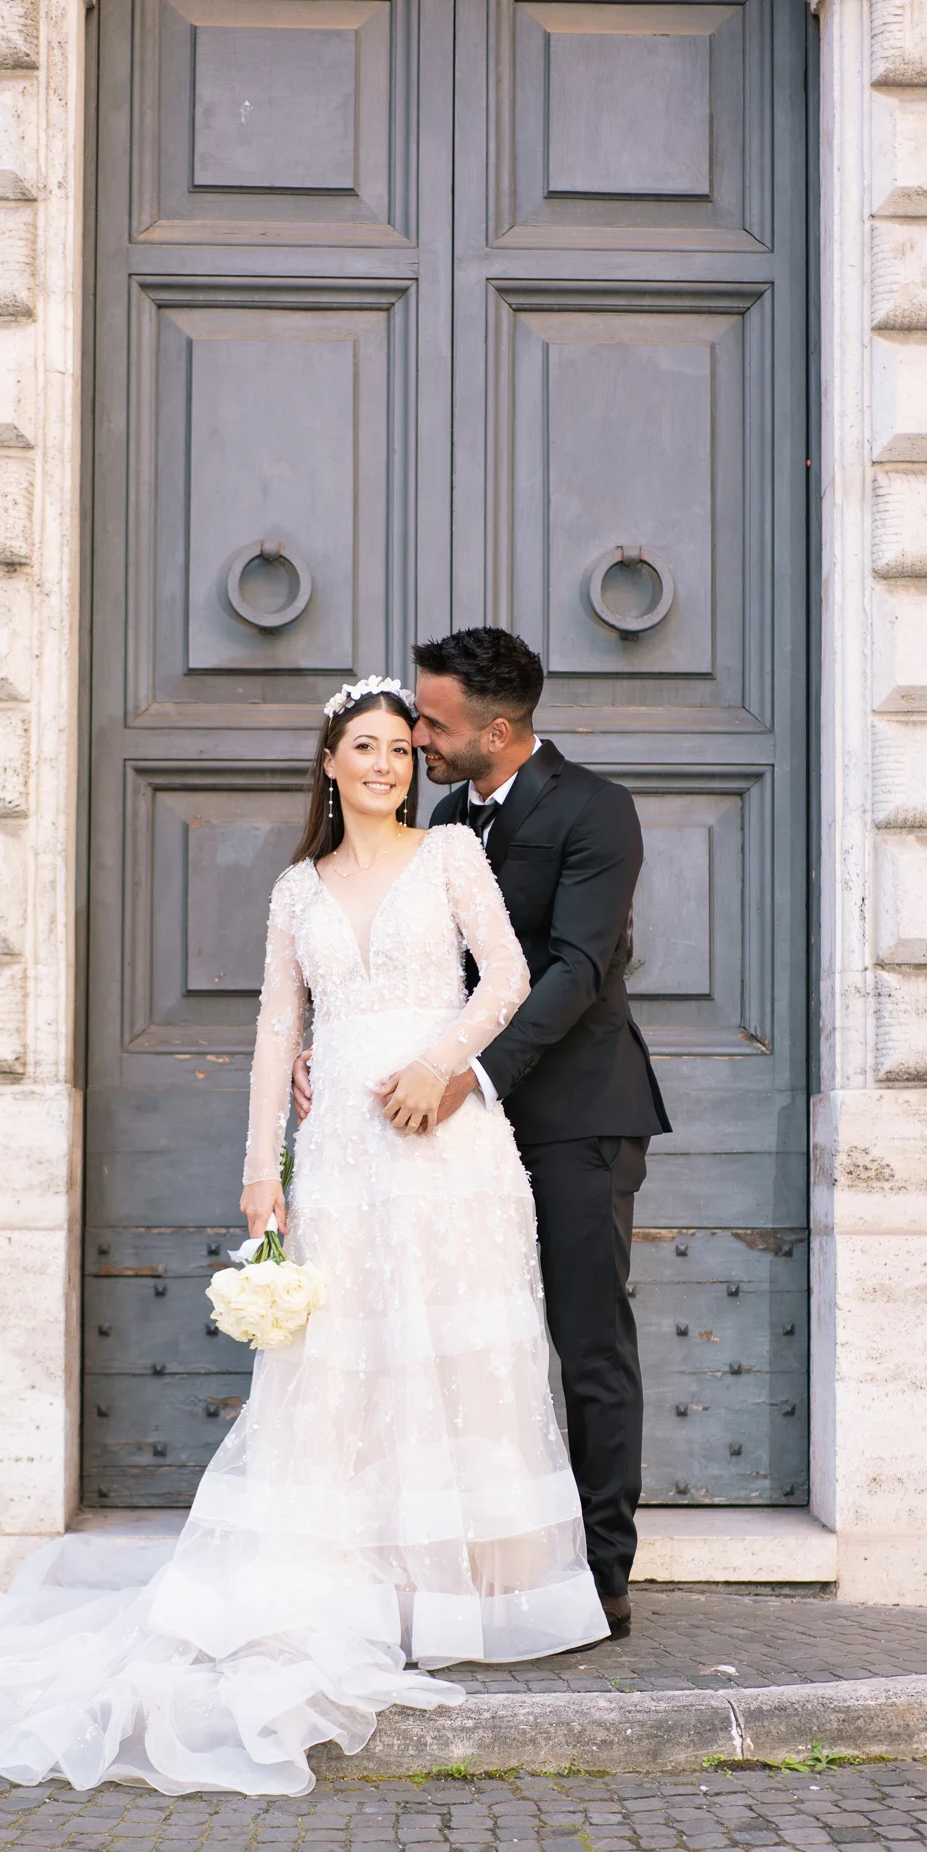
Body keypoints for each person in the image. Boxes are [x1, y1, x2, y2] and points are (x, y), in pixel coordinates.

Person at [0, 678, 606, 1798]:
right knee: (346, 1365)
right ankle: (361, 1586)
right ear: (328, 761)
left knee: (457, 1357)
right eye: (363, 749)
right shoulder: (295, 890)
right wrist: (259, 1170)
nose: (385, 767)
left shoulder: (453, 855)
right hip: (345, 1161)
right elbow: (278, 1034)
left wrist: (443, 1063)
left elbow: (509, 974)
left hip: (447, 1141)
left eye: (401, 752)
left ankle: (455, 1599)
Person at [297, 632, 671, 1640]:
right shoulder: (450, 817)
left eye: (433, 723)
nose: (416, 739)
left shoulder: (597, 810)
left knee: (588, 1342)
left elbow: (578, 968)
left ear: (497, 730)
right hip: (446, 1133)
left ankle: (600, 1570)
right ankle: (465, 1563)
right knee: (464, 1346)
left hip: (574, 1115)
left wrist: (472, 1075)